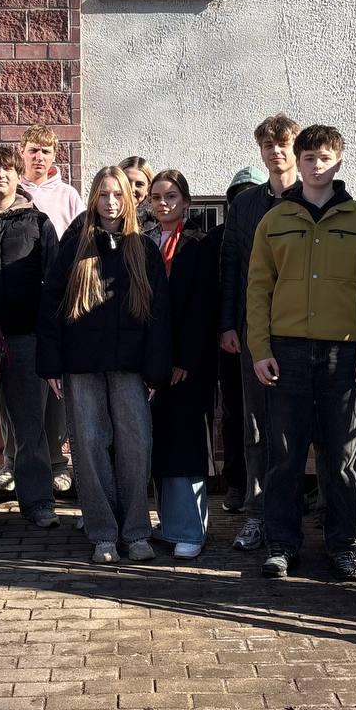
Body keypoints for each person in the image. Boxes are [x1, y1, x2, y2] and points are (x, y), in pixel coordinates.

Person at [246, 124, 356, 581]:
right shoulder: (274, 221)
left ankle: (346, 546)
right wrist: (260, 348)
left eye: (324, 157)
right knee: (284, 456)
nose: (315, 165)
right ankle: (282, 546)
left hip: (343, 356)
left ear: (338, 163)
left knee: (342, 457)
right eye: (308, 157)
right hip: (286, 354)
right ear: (299, 162)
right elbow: (258, 289)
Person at [38, 167, 171, 564]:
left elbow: (159, 314)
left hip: (131, 367)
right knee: (90, 446)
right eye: (103, 195)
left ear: (129, 201)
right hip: (81, 367)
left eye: (118, 195)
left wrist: (156, 370)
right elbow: (52, 308)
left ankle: (136, 531)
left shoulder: (142, 248)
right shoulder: (74, 245)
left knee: (136, 446)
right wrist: (52, 368)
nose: (111, 203)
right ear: (93, 199)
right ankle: (102, 533)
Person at [0, 146, 60, 529]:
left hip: (26, 337)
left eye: (7, 168)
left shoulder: (38, 223)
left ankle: (37, 502)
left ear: (19, 176)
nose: (0, 174)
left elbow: (54, 285)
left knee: (29, 426)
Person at [218, 113, 301, 551]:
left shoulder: (313, 199)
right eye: (268, 145)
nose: (275, 151)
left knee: (296, 427)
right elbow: (230, 265)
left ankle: (289, 515)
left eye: (282, 143)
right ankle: (256, 512)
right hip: (254, 328)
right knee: (254, 426)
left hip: (305, 330)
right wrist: (228, 323)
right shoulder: (245, 205)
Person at [147, 170, 216, 559]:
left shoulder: (198, 244)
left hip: (188, 362)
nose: (163, 203)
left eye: (171, 196)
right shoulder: (144, 241)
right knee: (160, 441)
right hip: (154, 360)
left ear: (186, 201)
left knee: (186, 442)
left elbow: (201, 307)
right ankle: (170, 525)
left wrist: (184, 359)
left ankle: (192, 529)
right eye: (156, 196)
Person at [16, 124, 81, 494]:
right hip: (23, 300)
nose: (38, 157)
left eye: (45, 151)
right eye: (32, 150)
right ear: (21, 152)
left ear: (54, 156)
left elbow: (79, 243)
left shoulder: (68, 195)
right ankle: (13, 461)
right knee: (18, 388)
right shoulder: (13, 189)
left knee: (56, 382)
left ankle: (58, 462)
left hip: (57, 298)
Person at [208, 168, 267, 513]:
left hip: (272, 334)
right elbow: (222, 285)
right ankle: (237, 482)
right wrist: (225, 326)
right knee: (234, 413)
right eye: (237, 194)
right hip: (233, 337)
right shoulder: (218, 237)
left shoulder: (279, 228)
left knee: (270, 418)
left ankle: (271, 489)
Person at [119, 156, 157, 231]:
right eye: (126, 182)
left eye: (139, 184)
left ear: (148, 188)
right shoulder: (97, 217)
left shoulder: (158, 220)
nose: (131, 189)